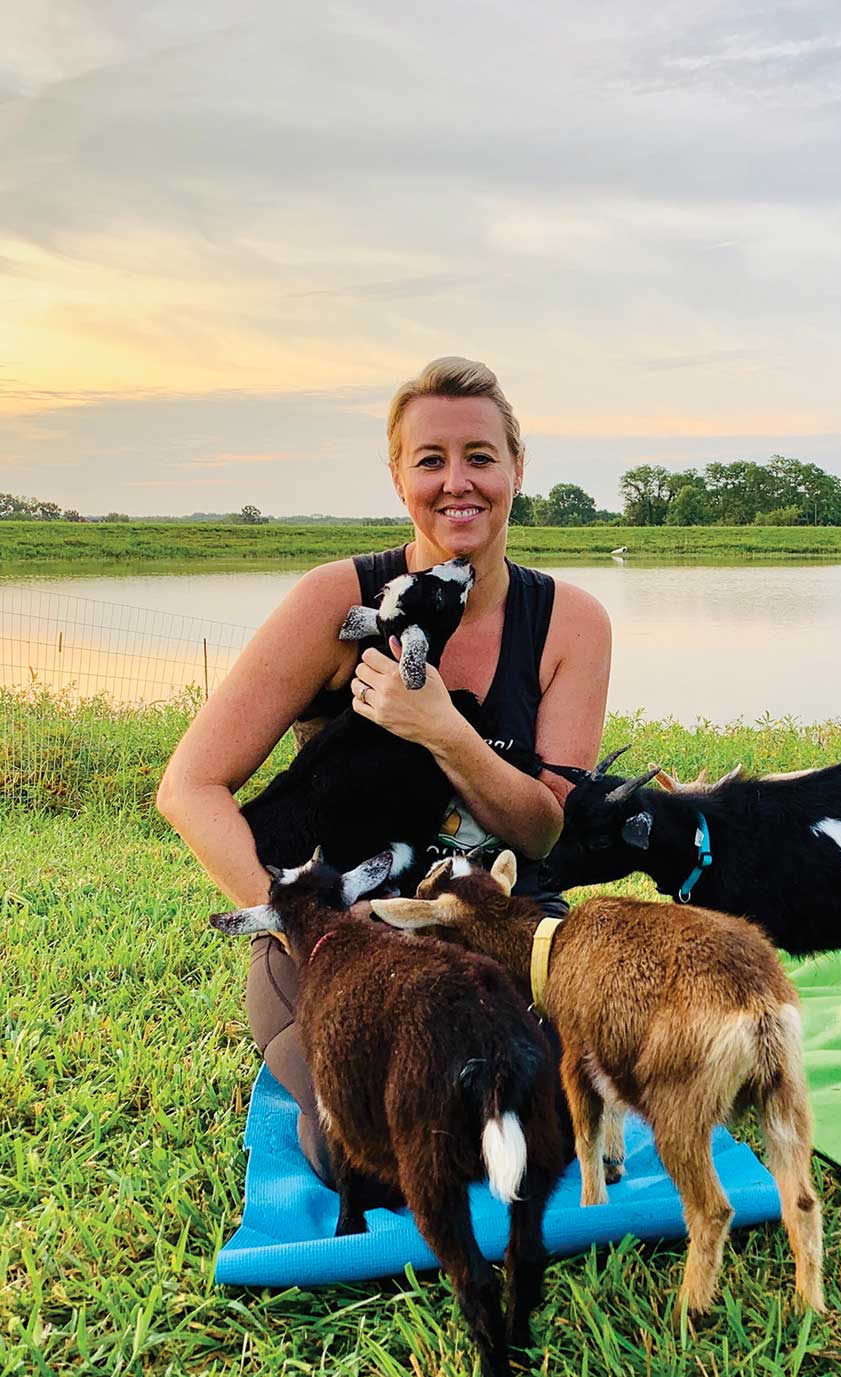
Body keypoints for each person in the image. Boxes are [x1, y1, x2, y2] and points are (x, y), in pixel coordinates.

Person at [158, 356, 611, 1179]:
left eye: (479, 455)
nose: (456, 482)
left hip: (493, 932)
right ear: (398, 475)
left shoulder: (571, 622)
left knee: (535, 1122)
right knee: (376, 1154)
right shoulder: (337, 599)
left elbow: (545, 823)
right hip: (342, 947)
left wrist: (440, 728)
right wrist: (305, 920)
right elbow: (189, 786)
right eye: (429, 459)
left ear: (516, 468)